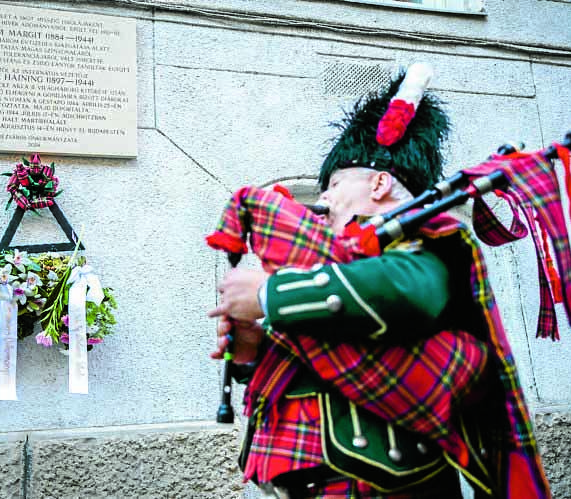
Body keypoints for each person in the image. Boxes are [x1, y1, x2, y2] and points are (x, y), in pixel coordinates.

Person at [207, 64, 550, 498]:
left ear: (380, 183)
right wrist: (254, 348)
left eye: (333, 184)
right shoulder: (330, 265)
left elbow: (405, 294)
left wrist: (267, 294)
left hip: (382, 486)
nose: (325, 198)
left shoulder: (425, 243)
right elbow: (322, 360)